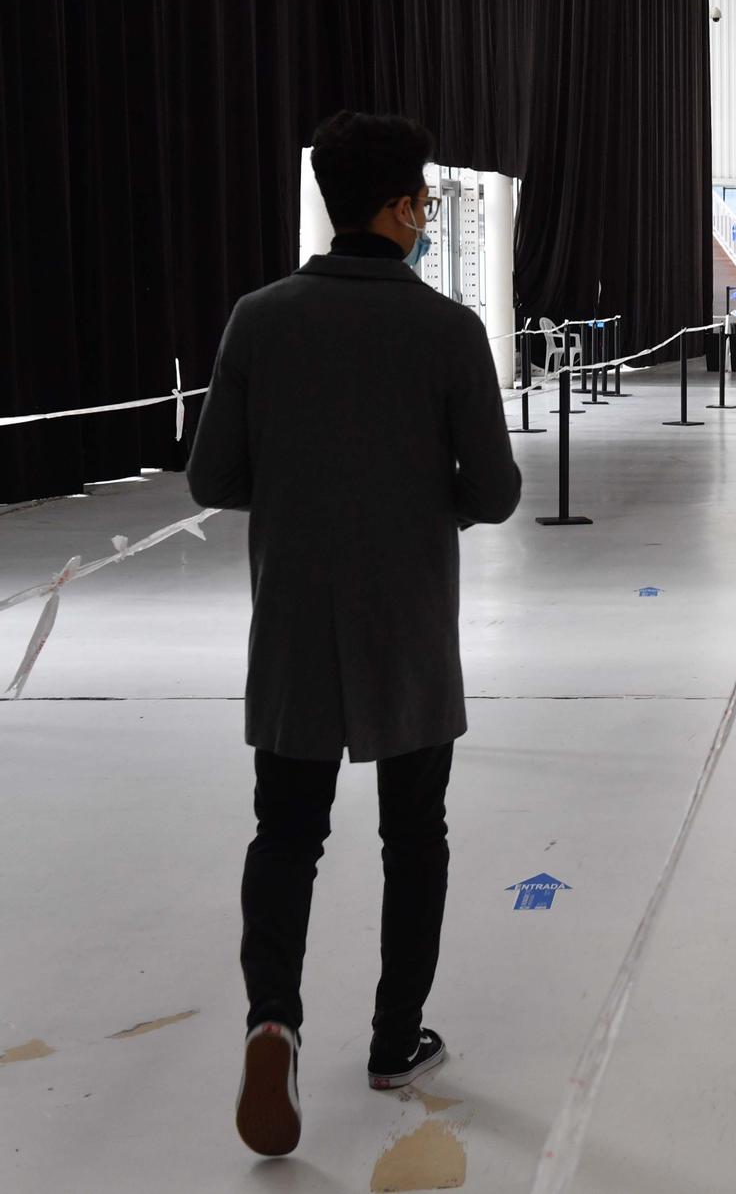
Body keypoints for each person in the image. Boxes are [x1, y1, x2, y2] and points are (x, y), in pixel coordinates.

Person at [187, 110, 521, 1157]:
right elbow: (500, 491)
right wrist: (429, 501)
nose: (426, 215)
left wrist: (303, 492)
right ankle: (391, 1038)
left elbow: (212, 476)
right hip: (409, 624)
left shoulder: (259, 318)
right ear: (392, 207)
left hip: (293, 622)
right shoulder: (447, 331)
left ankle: (272, 1021)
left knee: (287, 832)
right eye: (421, 199)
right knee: (411, 834)